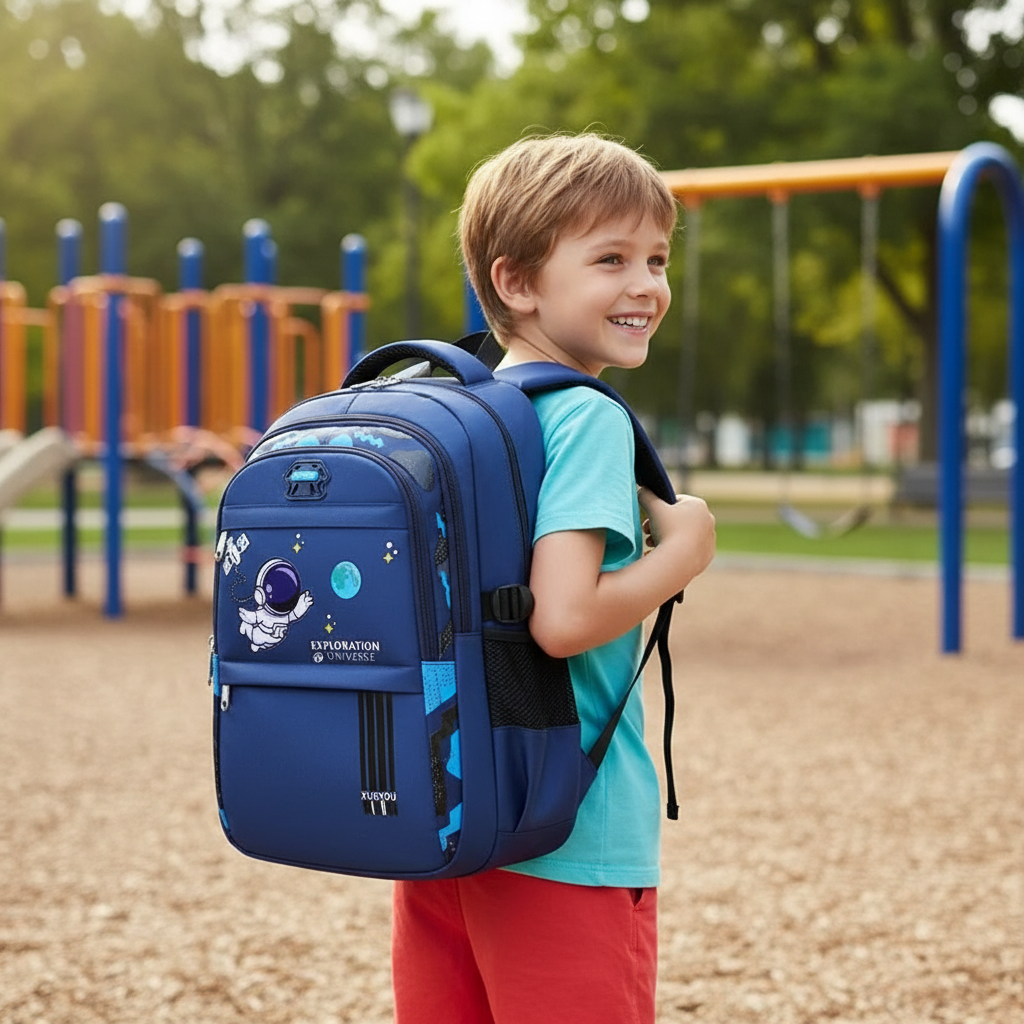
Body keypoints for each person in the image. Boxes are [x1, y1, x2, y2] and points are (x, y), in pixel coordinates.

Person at [391, 133, 717, 1024]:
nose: (646, 285)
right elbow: (563, 619)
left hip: (452, 815)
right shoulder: (583, 419)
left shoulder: (458, 415)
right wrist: (683, 554)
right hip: (567, 831)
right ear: (517, 282)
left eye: (657, 259)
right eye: (611, 259)